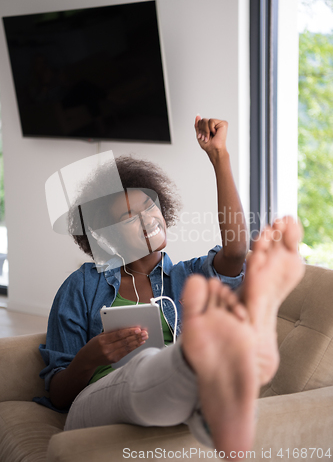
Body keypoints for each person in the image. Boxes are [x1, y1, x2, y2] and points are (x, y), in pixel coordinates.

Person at [36, 117, 305, 457]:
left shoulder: (187, 278)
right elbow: (59, 396)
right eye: (128, 218)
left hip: (169, 405)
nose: (147, 218)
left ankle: (212, 382)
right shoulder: (81, 286)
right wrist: (89, 359)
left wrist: (218, 156)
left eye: (150, 207)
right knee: (148, 365)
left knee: (175, 378)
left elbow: (236, 250)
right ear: (106, 236)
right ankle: (220, 358)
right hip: (95, 406)